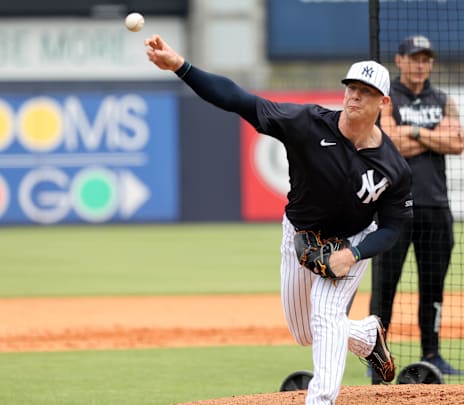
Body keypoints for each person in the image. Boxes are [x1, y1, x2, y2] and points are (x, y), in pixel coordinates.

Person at [144, 35, 414, 402]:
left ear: (383, 101)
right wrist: (180, 66)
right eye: (351, 87)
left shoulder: (393, 168)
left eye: (365, 91)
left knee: (325, 316)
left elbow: (394, 227)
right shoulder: (306, 123)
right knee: (305, 332)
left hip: (351, 241)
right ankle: (367, 336)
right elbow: (239, 100)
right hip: (299, 236)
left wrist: (351, 254)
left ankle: (321, 399)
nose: (354, 96)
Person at [369, 34, 464, 382]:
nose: (420, 64)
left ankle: (432, 353)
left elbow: (457, 142)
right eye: (414, 58)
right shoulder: (386, 97)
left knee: (433, 285)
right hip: (394, 206)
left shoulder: (443, 99)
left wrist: (413, 133)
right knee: (386, 285)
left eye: (426, 58)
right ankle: (376, 357)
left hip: (436, 206)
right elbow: (388, 143)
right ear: (399, 60)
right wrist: (430, 134)